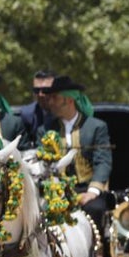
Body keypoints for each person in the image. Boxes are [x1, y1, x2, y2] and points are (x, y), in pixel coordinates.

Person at [41, 75, 112, 231]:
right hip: (55, 192)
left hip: (87, 189)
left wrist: (92, 192)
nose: (50, 102)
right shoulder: (46, 129)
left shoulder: (96, 127)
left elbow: (103, 161)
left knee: (95, 209)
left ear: (69, 100)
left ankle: (98, 254)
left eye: (54, 98)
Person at [18, 69, 57, 143]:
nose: (40, 94)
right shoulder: (28, 116)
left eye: (45, 90)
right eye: (36, 90)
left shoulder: (69, 112)